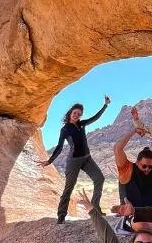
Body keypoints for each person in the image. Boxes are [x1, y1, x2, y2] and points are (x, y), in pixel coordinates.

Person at [38, 96, 110, 224]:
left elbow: (95, 118)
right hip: (74, 161)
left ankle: (96, 208)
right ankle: (61, 216)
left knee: (99, 178)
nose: (77, 115)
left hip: (87, 158)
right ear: (70, 113)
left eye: (79, 114)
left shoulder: (82, 124)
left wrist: (105, 105)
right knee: (69, 187)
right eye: (75, 113)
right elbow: (60, 147)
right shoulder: (65, 129)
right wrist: (49, 161)